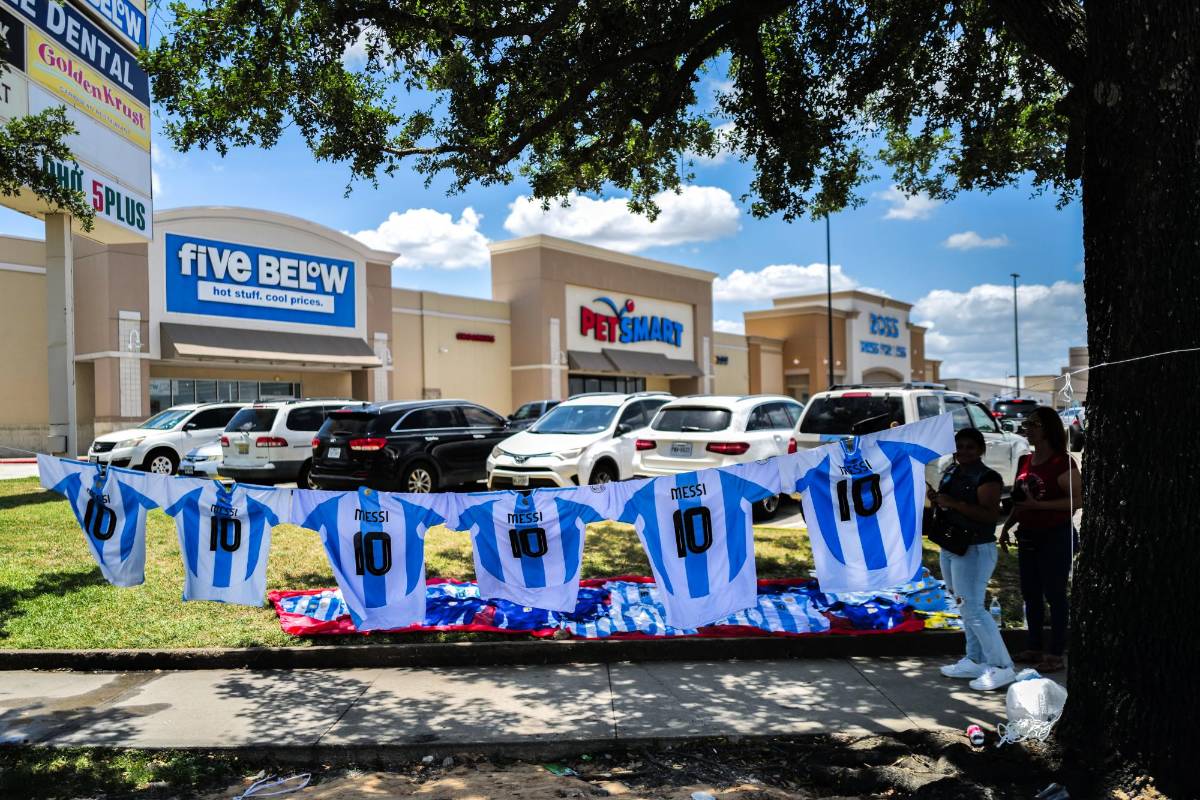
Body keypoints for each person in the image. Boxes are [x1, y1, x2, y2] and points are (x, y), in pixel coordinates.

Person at [929, 428, 1015, 691]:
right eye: (959, 446)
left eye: (970, 447)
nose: (964, 451)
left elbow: (990, 516)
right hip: (951, 545)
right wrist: (938, 500)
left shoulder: (988, 477)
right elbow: (948, 503)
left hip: (975, 549)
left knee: (974, 607)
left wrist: (953, 504)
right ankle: (975, 659)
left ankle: (1002, 667)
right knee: (963, 604)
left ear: (980, 450)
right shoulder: (952, 471)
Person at [1000, 405, 1082, 673]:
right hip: (1028, 535)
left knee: (1055, 594)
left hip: (1055, 536)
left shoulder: (1062, 462)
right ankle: (1034, 646)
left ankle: (1056, 652)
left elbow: (1077, 501)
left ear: (1048, 429)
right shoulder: (1025, 460)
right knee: (1031, 593)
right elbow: (1020, 500)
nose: (1027, 429)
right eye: (1026, 424)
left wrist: (1039, 506)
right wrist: (1008, 525)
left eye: (1033, 424)